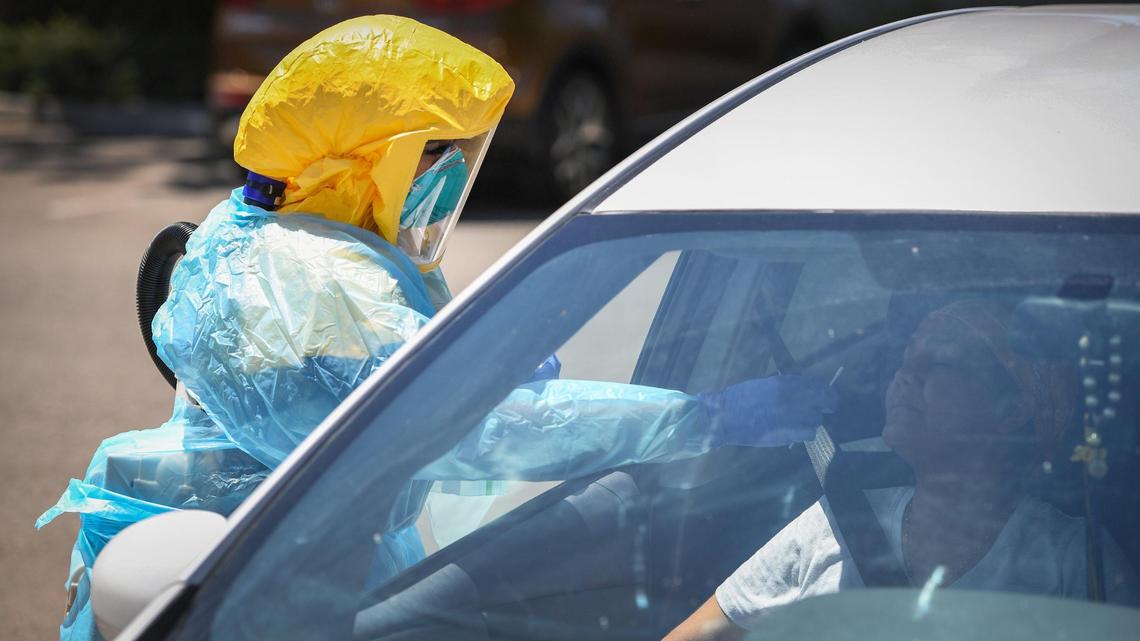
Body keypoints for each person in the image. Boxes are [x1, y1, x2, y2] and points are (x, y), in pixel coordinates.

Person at [38, 16, 833, 641]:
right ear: (374, 160)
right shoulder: (321, 279)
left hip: (270, 557)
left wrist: (475, 358)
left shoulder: (268, 232)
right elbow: (481, 431)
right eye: (437, 153)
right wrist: (704, 416)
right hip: (271, 581)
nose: (450, 174)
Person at [665, 299, 1140, 641]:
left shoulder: (1075, 560)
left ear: (1013, 408)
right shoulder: (836, 520)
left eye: (939, 363)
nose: (905, 375)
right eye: (907, 359)